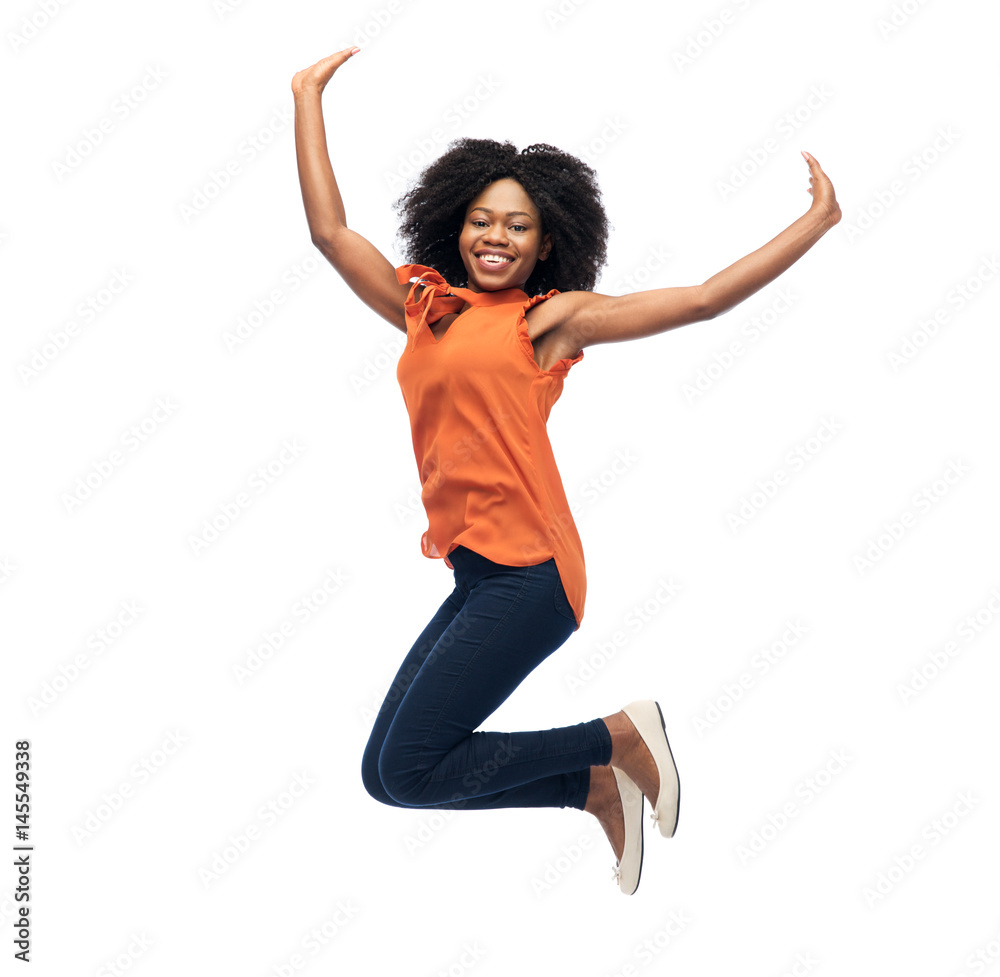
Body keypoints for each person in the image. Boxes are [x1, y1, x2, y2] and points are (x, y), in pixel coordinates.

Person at [292, 45, 841, 895]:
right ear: (456, 224)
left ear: (547, 241)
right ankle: (589, 785)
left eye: (517, 225)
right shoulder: (425, 307)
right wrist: (306, 95)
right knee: (389, 773)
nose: (496, 237)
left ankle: (616, 735)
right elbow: (330, 233)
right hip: (478, 575)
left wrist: (814, 223)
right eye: (482, 220)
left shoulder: (548, 322)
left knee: (410, 764)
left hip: (534, 573)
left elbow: (698, 300)